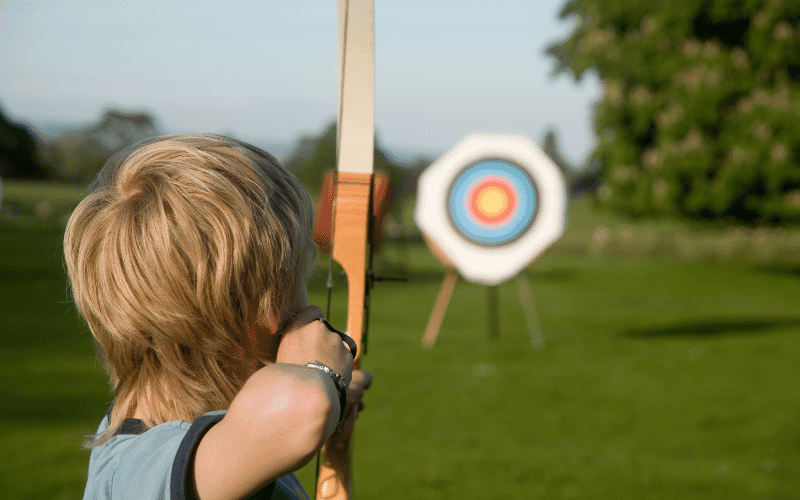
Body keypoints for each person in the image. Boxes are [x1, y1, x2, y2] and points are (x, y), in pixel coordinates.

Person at [64, 134, 371, 500]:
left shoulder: (216, 442)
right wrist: (324, 375)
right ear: (268, 308)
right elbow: (306, 406)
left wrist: (334, 414)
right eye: (299, 279)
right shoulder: (140, 472)